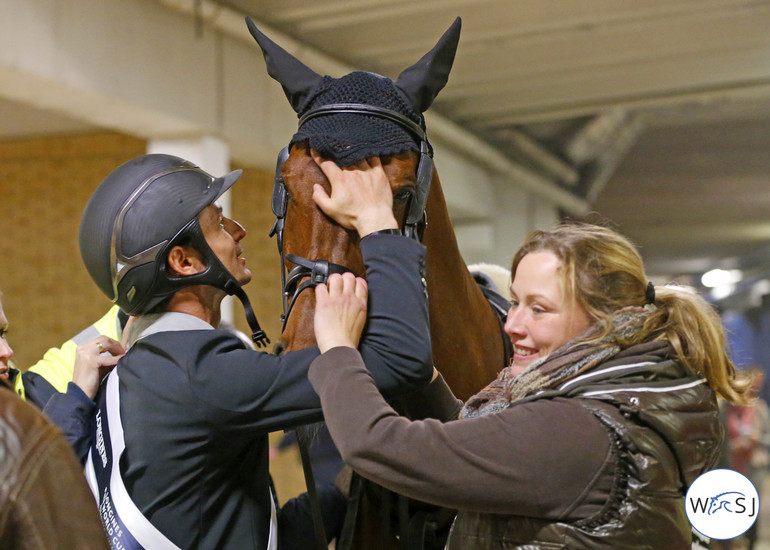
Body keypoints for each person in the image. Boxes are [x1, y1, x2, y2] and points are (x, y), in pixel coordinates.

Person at [57, 152, 432, 550]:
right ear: (182, 261)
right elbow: (400, 358)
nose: (238, 231)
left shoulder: (137, 372)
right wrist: (378, 224)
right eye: (219, 223)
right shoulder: (200, 372)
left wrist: (343, 495)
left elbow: (213, 520)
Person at [307, 221, 753, 549]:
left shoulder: (581, 429)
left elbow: (378, 445)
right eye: (515, 302)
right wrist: (422, 374)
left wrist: (337, 349)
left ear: (606, 321)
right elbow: (493, 449)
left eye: (539, 309)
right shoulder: (626, 397)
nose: (513, 324)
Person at [0, 291, 109, 549]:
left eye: (3, 333)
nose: (7, 350)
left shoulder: (31, 389)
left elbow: (120, 317)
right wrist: (76, 399)